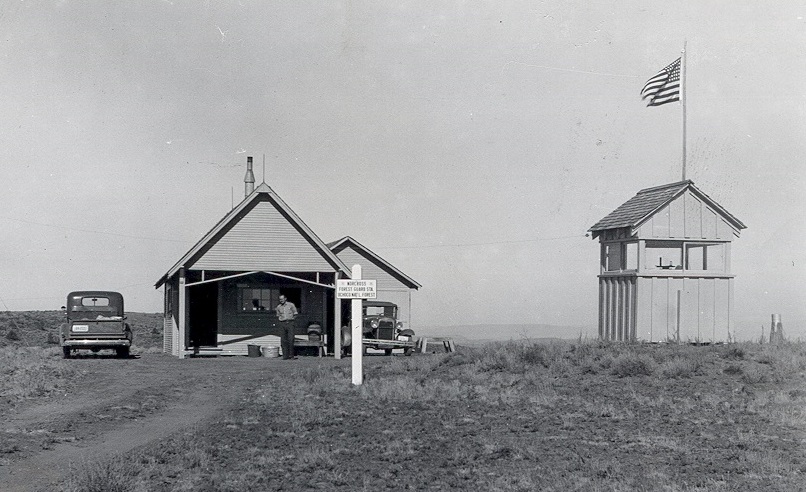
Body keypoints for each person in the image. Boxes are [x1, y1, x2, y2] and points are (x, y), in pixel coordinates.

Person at [276, 294, 298, 359]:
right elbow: (278, 315)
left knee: (290, 339)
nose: (281, 300)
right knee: (283, 340)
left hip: (290, 323)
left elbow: (295, 314)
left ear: (285, 299)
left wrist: (292, 320)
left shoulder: (291, 305)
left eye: (282, 299)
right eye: (280, 299)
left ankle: (291, 356)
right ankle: (285, 356)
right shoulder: (278, 307)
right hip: (282, 323)